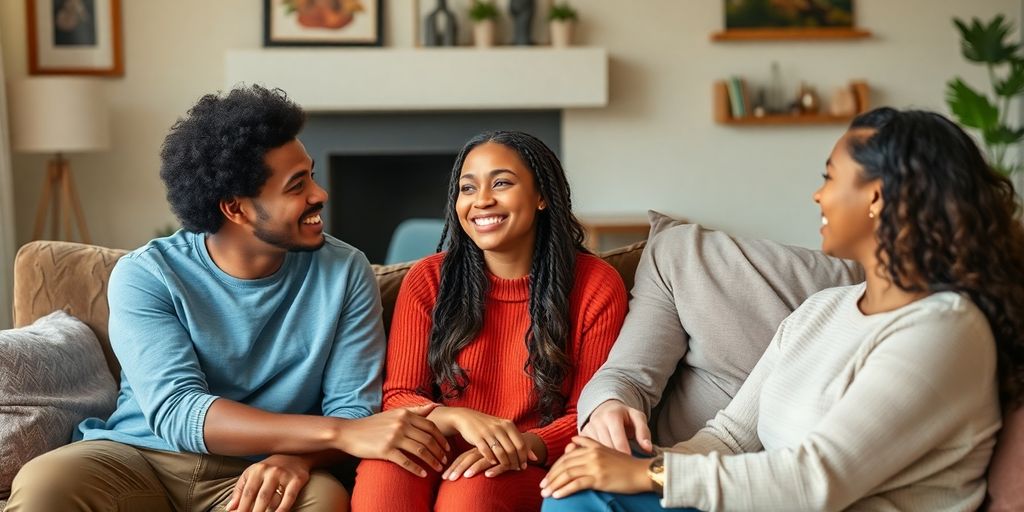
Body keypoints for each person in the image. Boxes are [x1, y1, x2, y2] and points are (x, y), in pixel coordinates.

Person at [540, 107, 1024, 511]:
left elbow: (818, 480)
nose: (818, 195)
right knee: (578, 492)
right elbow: (730, 437)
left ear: (876, 197)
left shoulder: (944, 329)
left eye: (829, 177)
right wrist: (631, 467)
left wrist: (649, 475)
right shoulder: (822, 310)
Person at [6, 85, 447, 512]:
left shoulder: (345, 271)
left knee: (321, 500)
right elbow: (178, 411)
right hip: (140, 457)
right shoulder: (147, 274)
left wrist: (298, 458)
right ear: (235, 208)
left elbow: (354, 410)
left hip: (264, 466)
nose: (320, 194)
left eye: (311, 175)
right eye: (297, 186)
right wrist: (336, 433)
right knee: (47, 481)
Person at [350, 131, 628, 512]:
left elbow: (589, 413)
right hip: (438, 445)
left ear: (542, 196)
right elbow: (399, 396)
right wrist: (457, 418)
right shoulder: (428, 279)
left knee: (472, 490)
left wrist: (524, 445)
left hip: (528, 463)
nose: (481, 200)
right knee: (384, 471)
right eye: (468, 188)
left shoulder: (595, 284)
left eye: (501, 183)